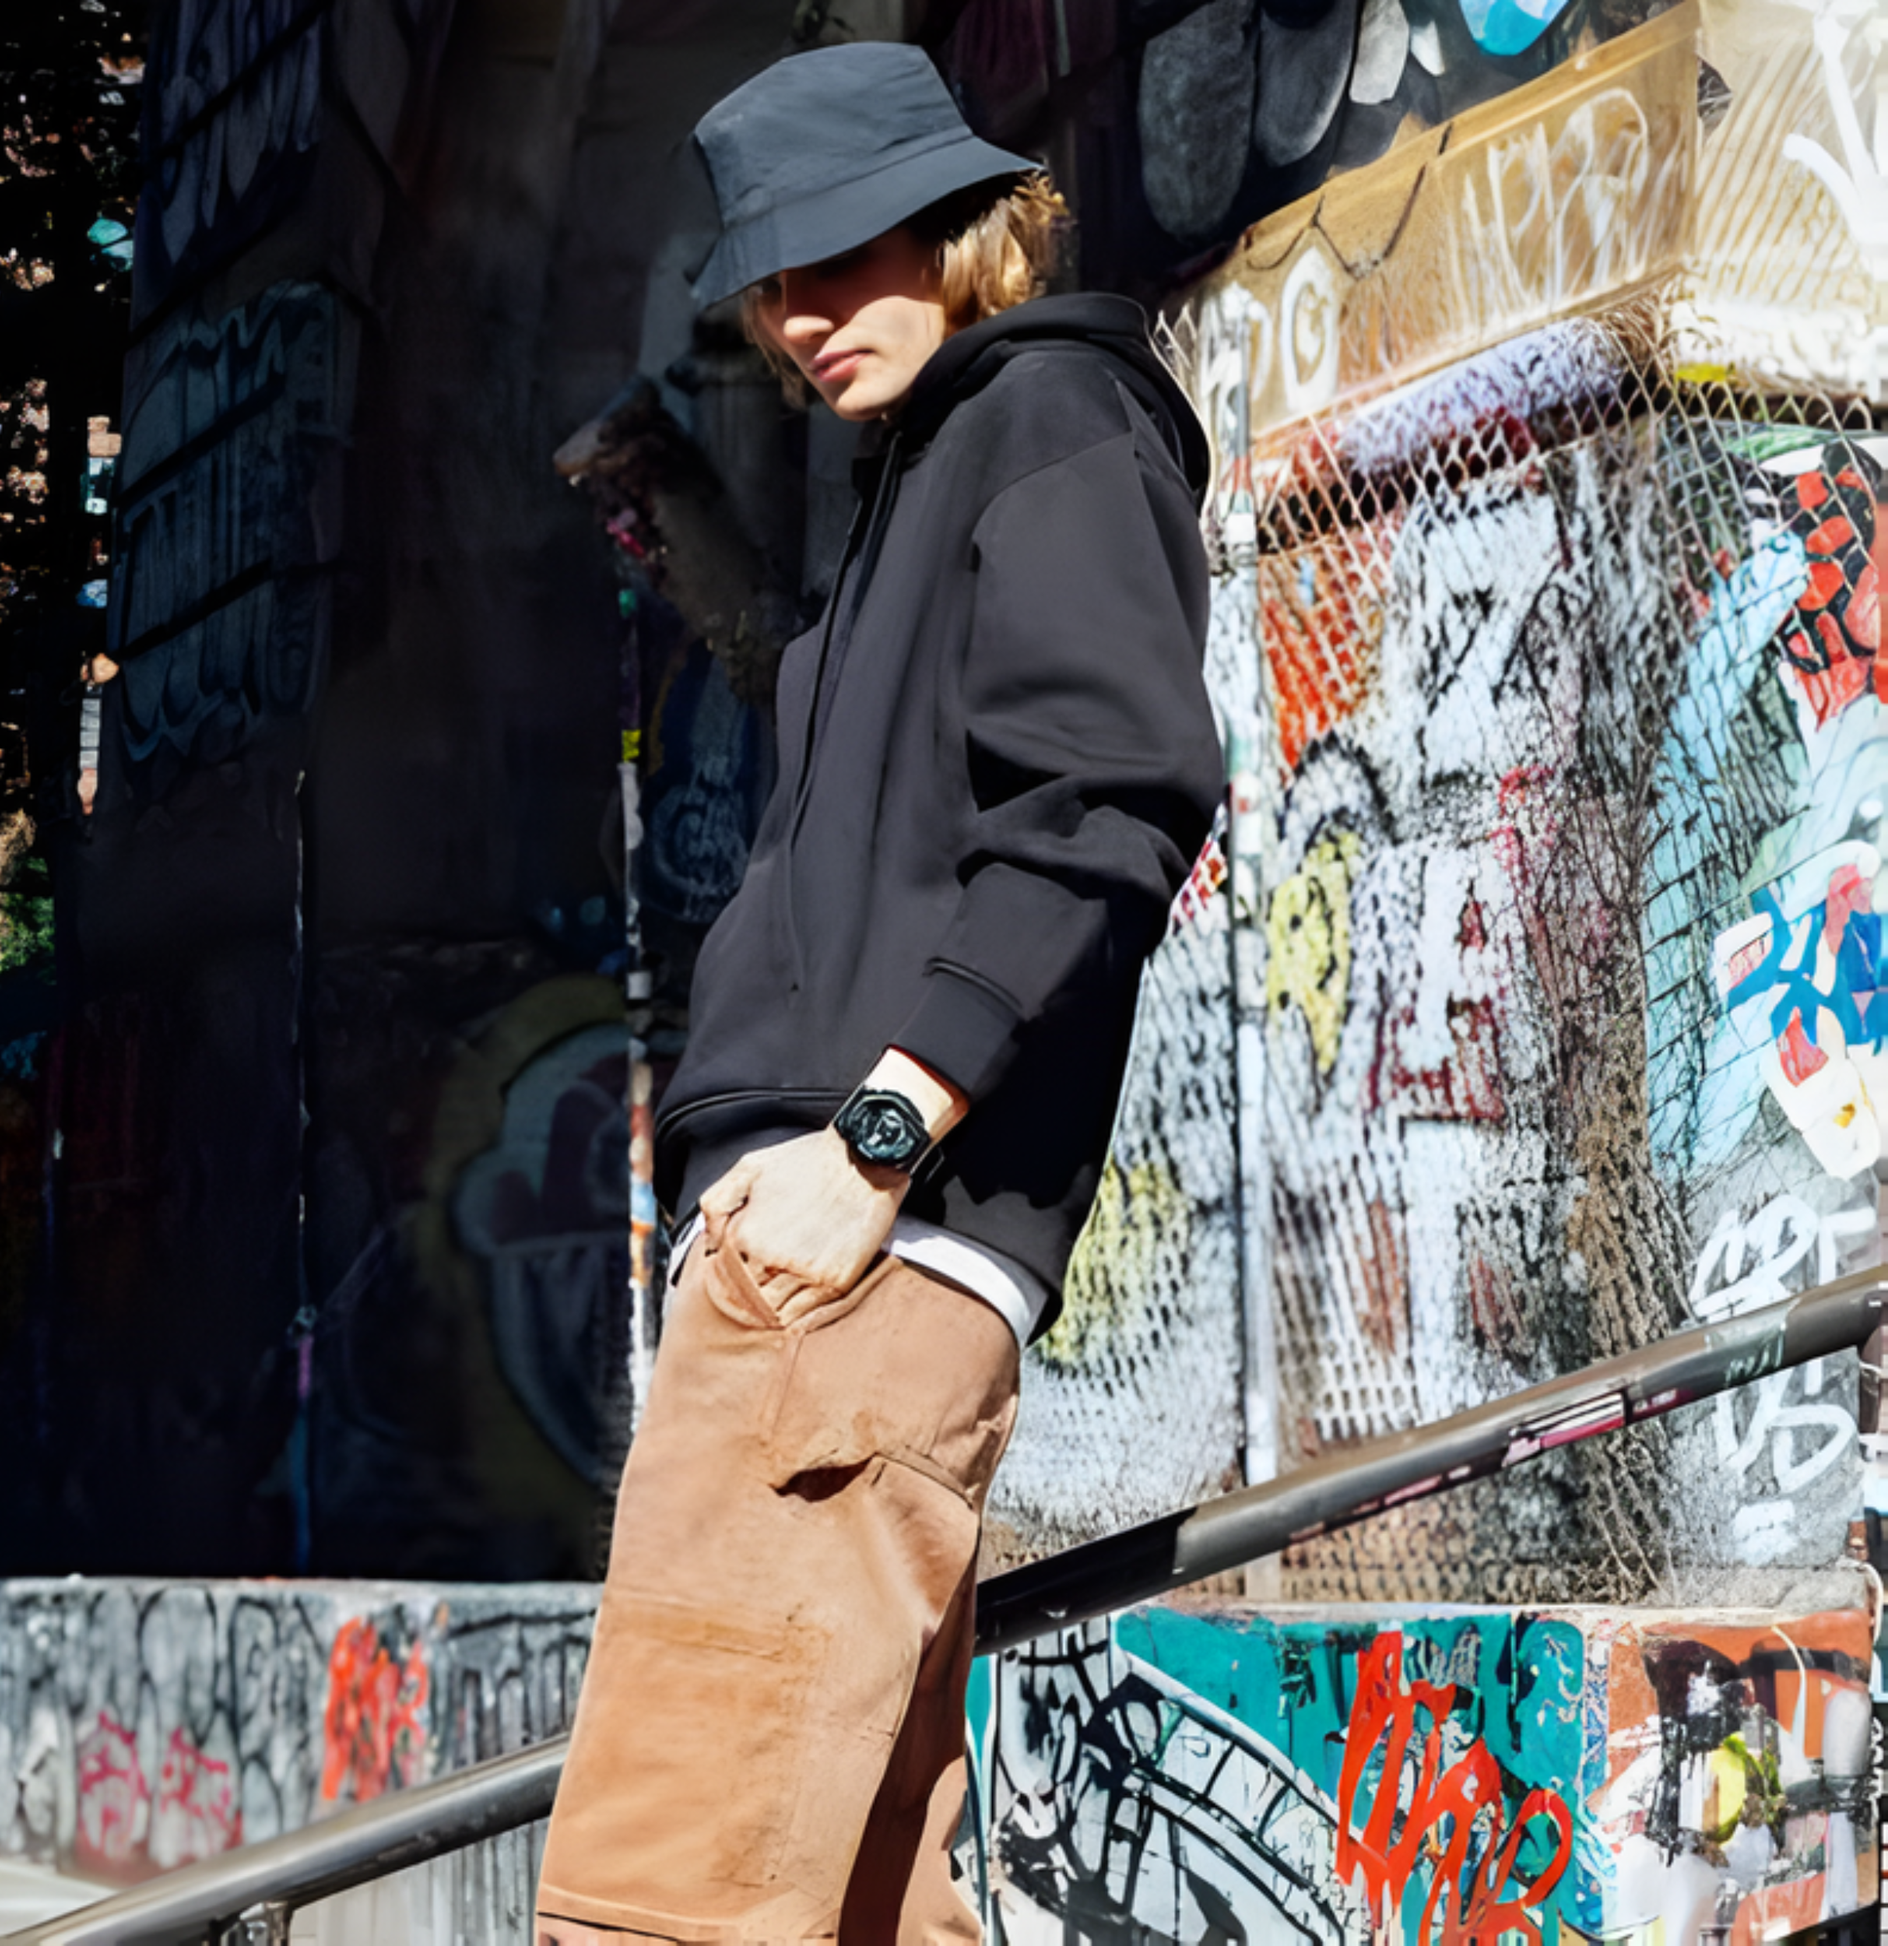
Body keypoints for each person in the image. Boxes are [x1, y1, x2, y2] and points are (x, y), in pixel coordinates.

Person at [535, 40, 1222, 1944]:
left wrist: (872, 1138)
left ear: (958, 225)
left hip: (855, 1249)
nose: (798, 313)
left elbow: (1112, 794)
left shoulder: (1050, 414)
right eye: (771, 281)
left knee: (665, 1897)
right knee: (851, 1901)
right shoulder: (925, 475)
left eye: (837, 254)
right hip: (841, 1251)